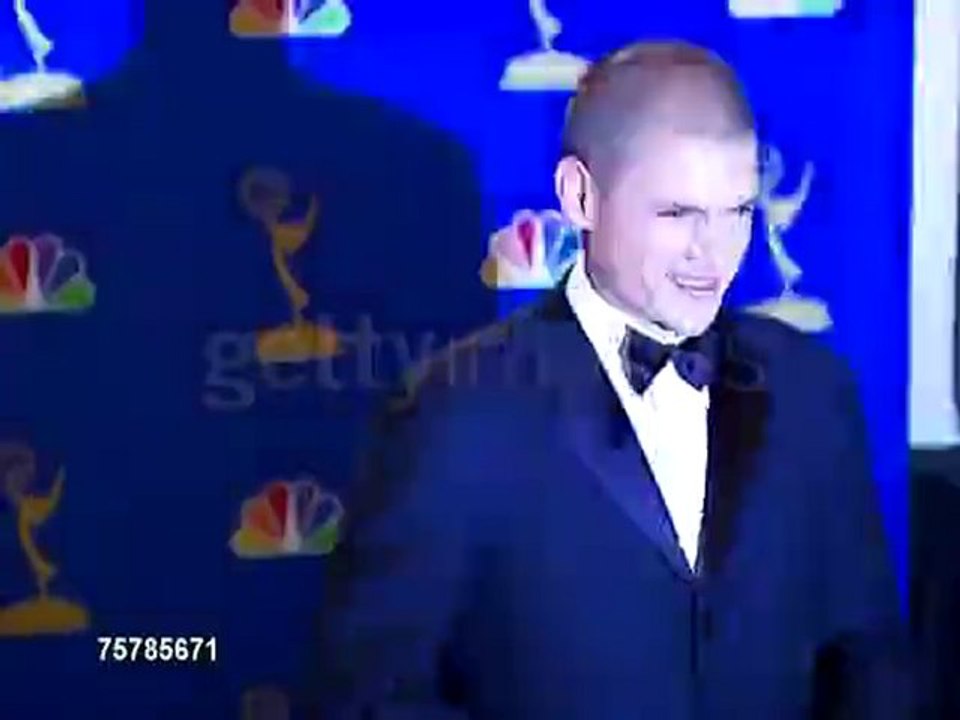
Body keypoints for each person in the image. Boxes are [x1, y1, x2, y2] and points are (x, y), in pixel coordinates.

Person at [311, 40, 913, 718]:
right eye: (677, 214)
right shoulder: (457, 413)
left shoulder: (812, 391)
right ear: (580, 197)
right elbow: (373, 696)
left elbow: (867, 661)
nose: (711, 254)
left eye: (738, 212)